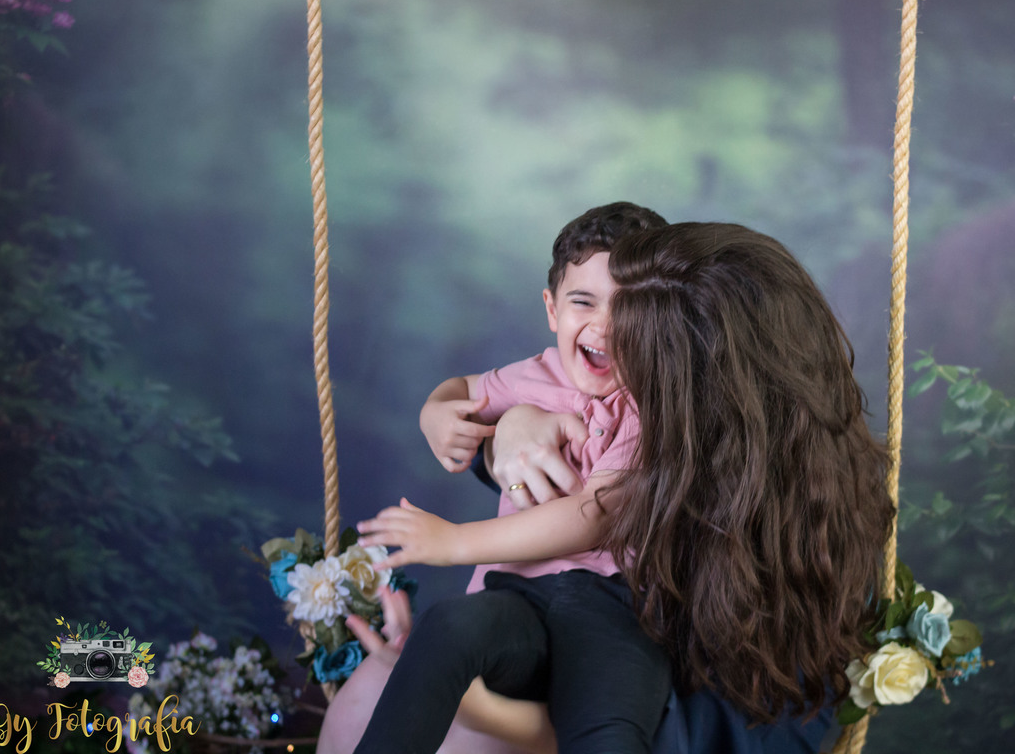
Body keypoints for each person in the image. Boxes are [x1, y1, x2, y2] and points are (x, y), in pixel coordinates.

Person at [354, 222, 895, 754]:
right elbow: (508, 442)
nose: (616, 349)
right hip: (525, 629)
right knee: (429, 647)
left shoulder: (802, 570)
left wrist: (500, 717)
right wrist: (511, 431)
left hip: (603, 687)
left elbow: (697, 731)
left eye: (649, 354)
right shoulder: (610, 407)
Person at [318, 201, 669, 754]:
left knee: (611, 731)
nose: (605, 326)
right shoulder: (536, 375)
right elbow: (460, 388)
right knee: (448, 627)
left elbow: (594, 516)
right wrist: (435, 414)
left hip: (615, 610)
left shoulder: (655, 403)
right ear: (552, 308)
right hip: (517, 598)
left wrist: (454, 541)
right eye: (583, 301)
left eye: (633, 308)